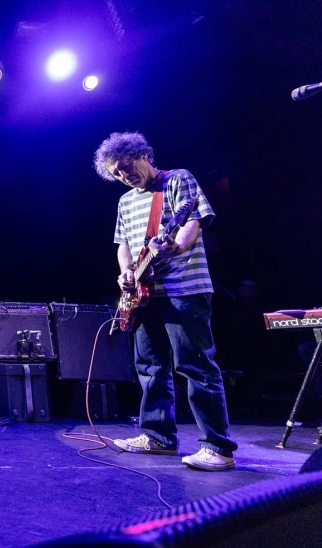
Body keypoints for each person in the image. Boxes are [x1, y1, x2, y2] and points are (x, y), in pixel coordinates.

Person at [93, 131, 237, 471]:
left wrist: (177, 246)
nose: (124, 176)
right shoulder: (125, 201)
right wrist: (126, 272)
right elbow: (123, 244)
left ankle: (218, 447)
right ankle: (157, 437)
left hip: (183, 287)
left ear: (144, 155)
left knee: (195, 365)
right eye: (116, 173)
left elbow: (192, 221)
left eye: (127, 167)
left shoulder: (177, 180)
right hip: (144, 295)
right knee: (151, 367)